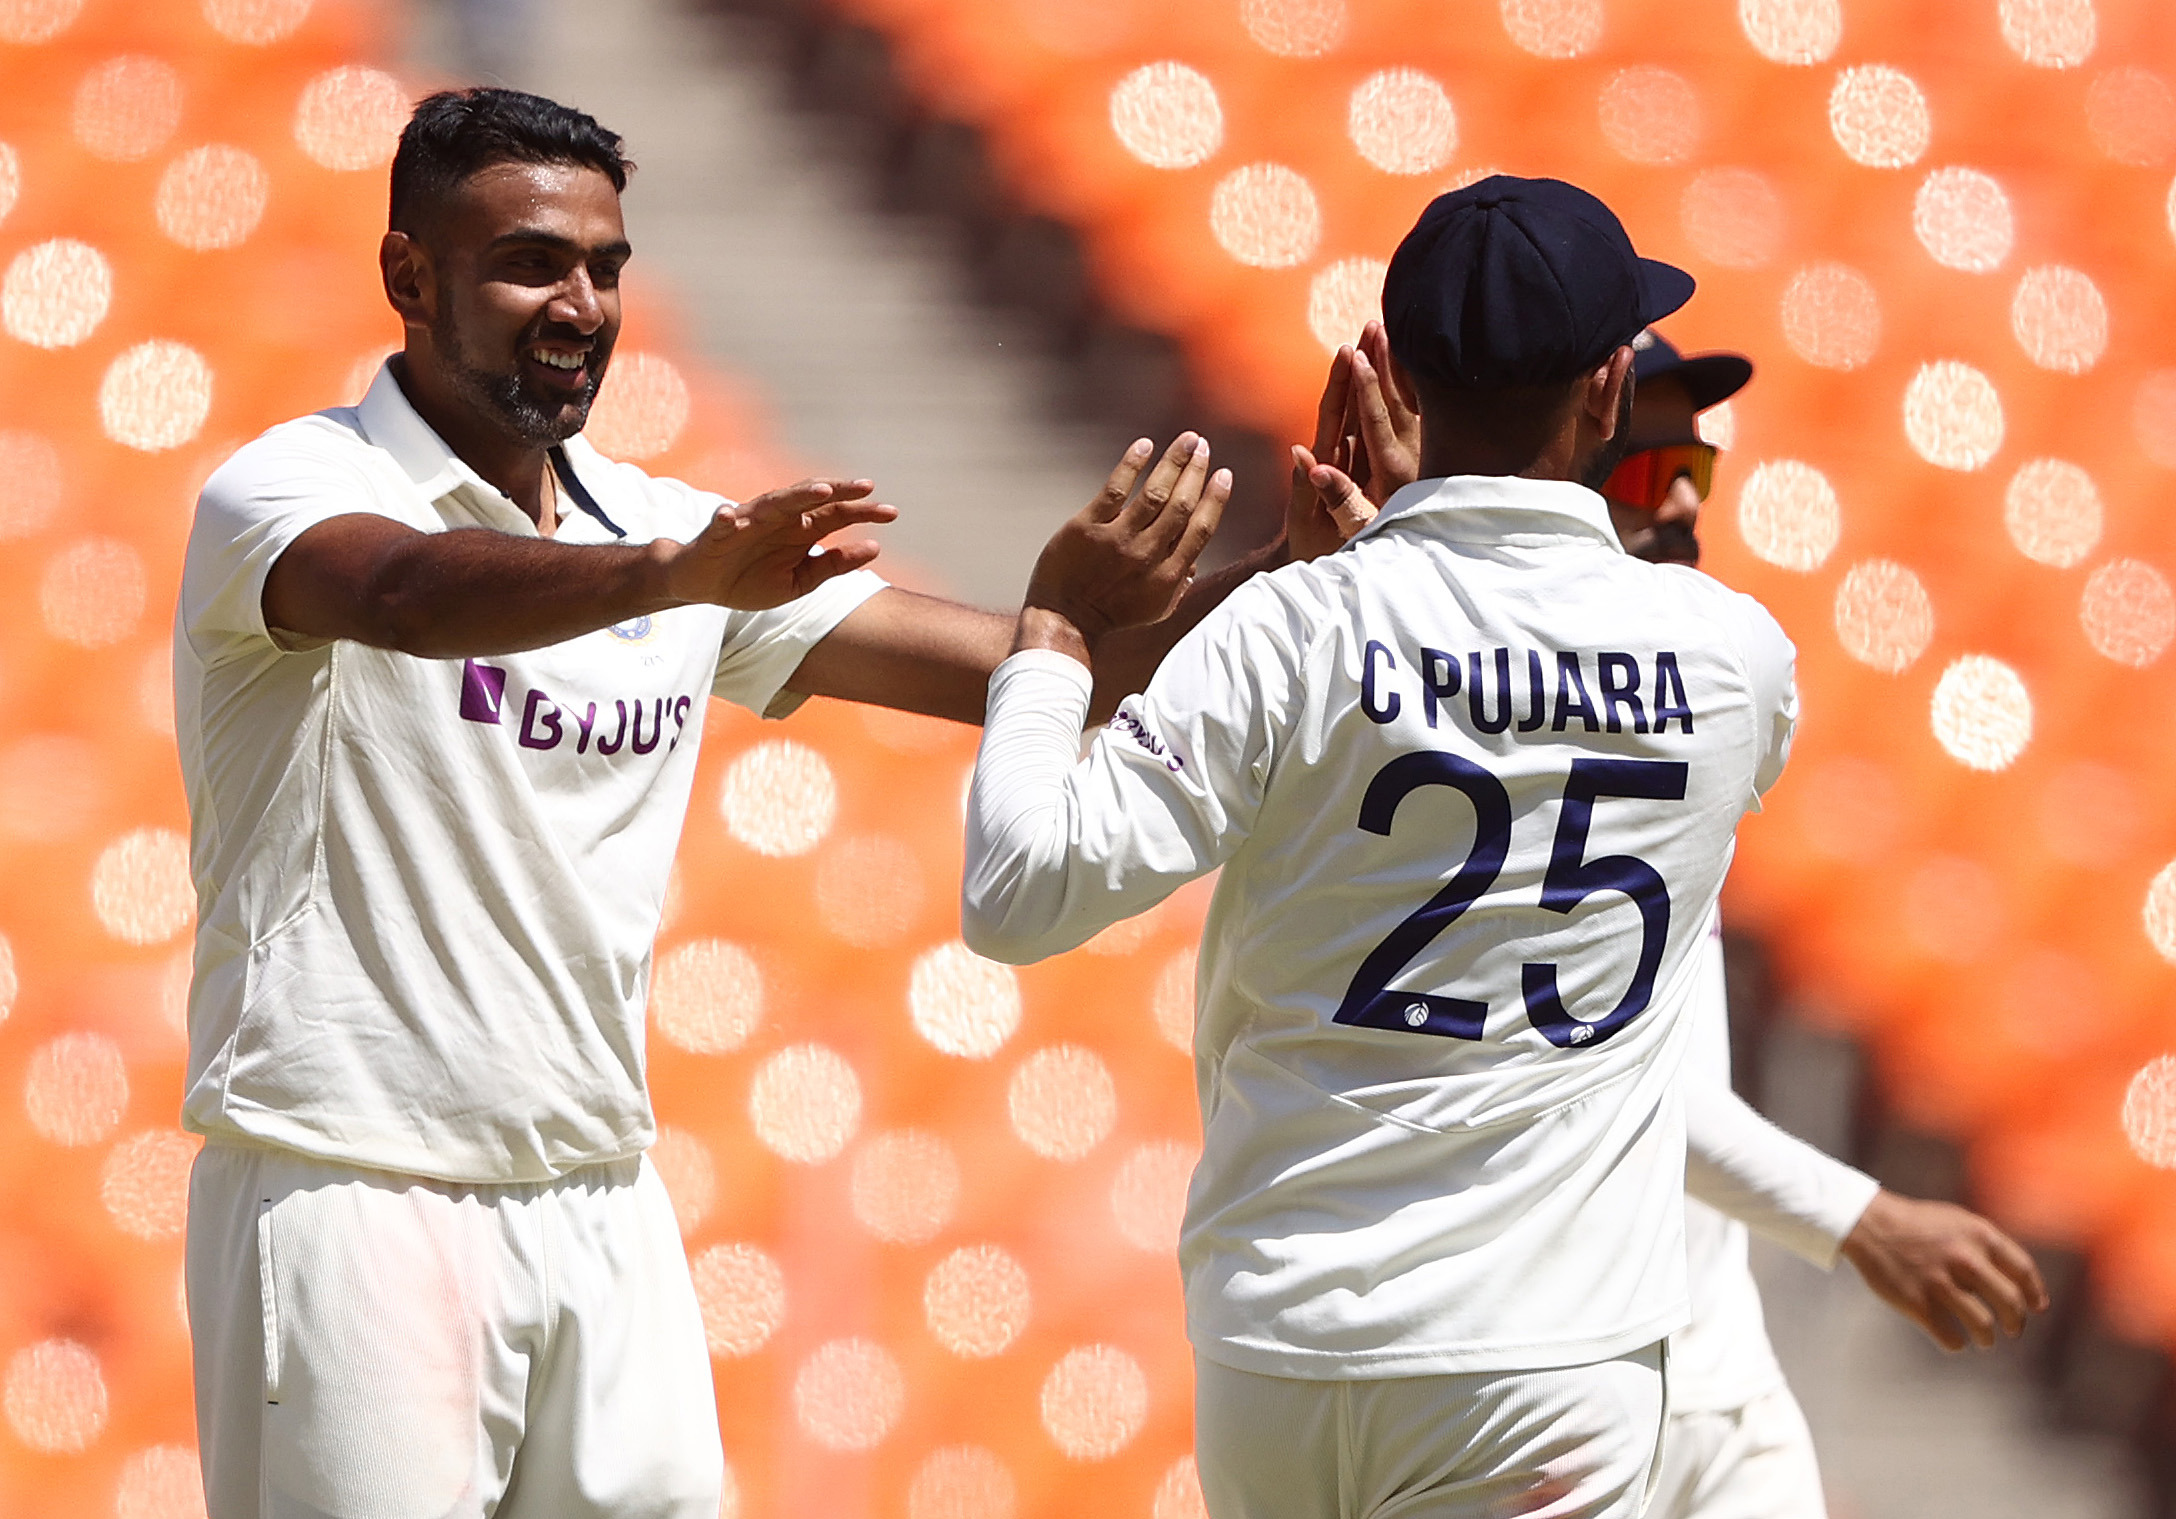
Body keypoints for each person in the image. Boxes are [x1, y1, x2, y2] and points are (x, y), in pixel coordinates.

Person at [175, 87, 1251, 1518]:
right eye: (528, 264)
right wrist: (671, 581)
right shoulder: (294, 487)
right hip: (353, 1184)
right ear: (408, 278)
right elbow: (398, 592)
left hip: (598, 1194)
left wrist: (1307, 586)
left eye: (606, 268)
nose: (578, 305)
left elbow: (1028, 665)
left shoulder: (658, 530)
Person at [963, 174, 1802, 1518]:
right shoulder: (1735, 654)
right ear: (1607, 387)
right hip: (1548, 1348)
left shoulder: (1291, 625)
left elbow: (1017, 894)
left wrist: (1057, 637)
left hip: (1283, 1338)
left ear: (1400, 371)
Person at [1595, 331, 2047, 1519]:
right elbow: (1598, 1070)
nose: (1686, 496)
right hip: (1555, 1394)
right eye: (1646, 467)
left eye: (1697, 457)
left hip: (1716, 1375)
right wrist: (1858, 1218)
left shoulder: (1677, 681)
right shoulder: (1504, 724)